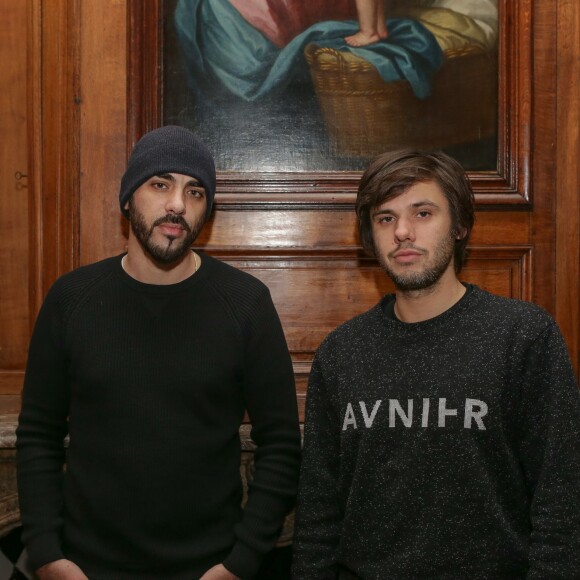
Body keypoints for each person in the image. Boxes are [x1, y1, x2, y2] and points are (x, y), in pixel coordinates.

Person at [16, 125, 301, 580]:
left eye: (196, 192)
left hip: (210, 569)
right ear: (128, 198)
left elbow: (282, 444)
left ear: (206, 210)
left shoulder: (245, 302)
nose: (177, 205)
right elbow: (38, 436)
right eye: (160, 184)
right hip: (85, 569)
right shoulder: (72, 299)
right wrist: (49, 555)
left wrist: (240, 562)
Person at [291, 150, 580, 578]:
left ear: (460, 225)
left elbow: (562, 499)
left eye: (422, 213)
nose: (403, 232)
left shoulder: (523, 336)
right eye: (385, 218)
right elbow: (318, 511)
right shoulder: (341, 352)